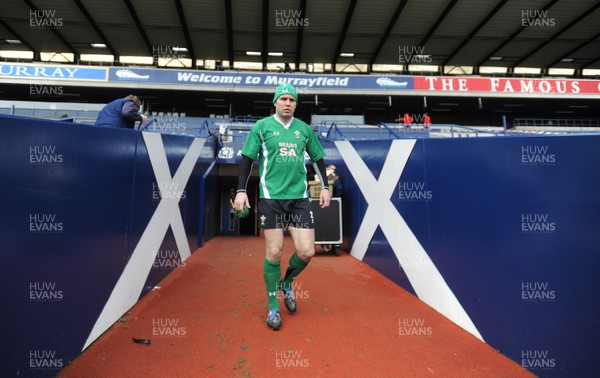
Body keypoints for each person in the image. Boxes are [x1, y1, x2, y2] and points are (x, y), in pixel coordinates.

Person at [233, 83, 331, 330]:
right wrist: (241, 191)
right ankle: (273, 308)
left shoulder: (304, 130)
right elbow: (247, 159)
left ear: (296, 104)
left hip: (299, 198)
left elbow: (318, 159)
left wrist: (326, 186)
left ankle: (286, 283)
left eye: (292, 99)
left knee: (307, 251)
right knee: (274, 252)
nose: (287, 103)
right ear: (275, 102)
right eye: (283, 99)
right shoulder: (262, 127)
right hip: (271, 198)